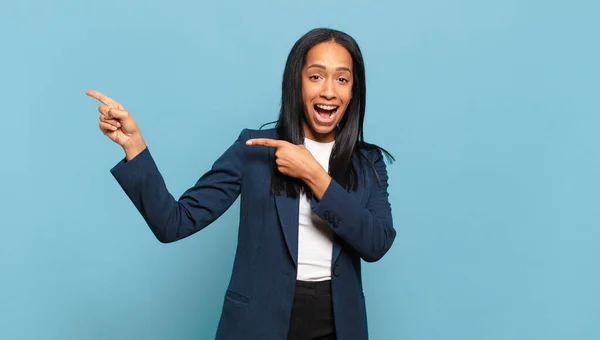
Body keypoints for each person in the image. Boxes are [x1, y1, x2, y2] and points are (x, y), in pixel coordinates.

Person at [87, 28, 396, 340]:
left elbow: (376, 243)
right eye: (316, 76)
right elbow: (173, 223)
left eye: (342, 79)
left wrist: (314, 175)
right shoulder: (254, 150)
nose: (329, 91)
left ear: (354, 90)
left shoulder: (368, 163)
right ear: (296, 82)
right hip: (258, 324)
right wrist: (134, 146)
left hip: (339, 325)